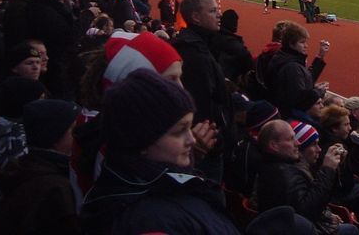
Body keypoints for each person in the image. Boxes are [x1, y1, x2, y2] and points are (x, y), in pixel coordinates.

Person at [80, 69, 240, 234]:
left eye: (189, 127)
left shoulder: (163, 186)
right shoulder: (148, 221)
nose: (192, 139)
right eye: (179, 131)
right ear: (140, 141)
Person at [0, 99, 81, 234]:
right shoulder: (56, 187)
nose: (77, 136)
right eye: (72, 130)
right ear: (54, 137)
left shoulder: (25, 167)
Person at [256, 119, 356, 234]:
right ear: (274, 145)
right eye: (290, 139)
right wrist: (328, 169)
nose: (297, 143)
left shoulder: (275, 165)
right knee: (351, 229)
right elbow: (307, 211)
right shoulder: (284, 173)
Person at [172, 0, 233, 182]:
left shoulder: (195, 45)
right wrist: (219, 143)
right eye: (213, 11)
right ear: (196, 17)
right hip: (207, 150)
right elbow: (203, 106)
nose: (219, 14)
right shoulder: (196, 54)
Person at [264, 21, 329, 118]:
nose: (306, 46)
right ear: (291, 44)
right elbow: (299, 100)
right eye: (302, 42)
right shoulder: (291, 67)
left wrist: (320, 56)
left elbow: (305, 79)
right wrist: (317, 91)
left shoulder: (284, 58)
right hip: (291, 116)